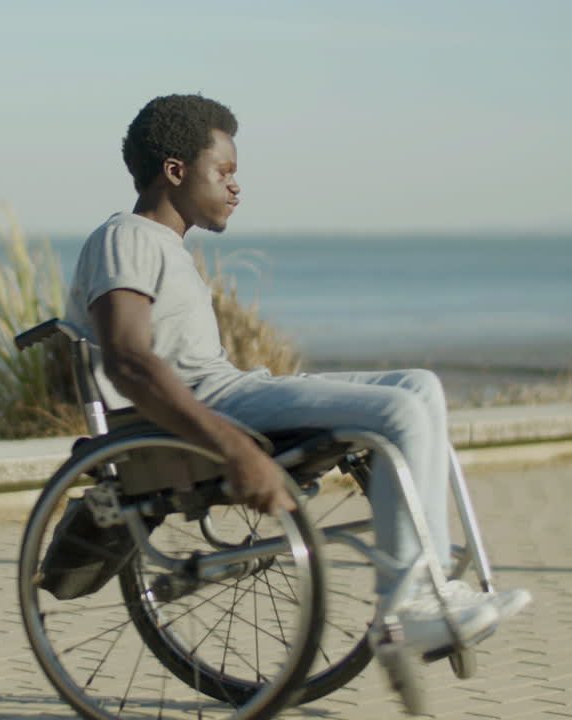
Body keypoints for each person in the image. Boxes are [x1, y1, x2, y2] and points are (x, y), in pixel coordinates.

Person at [65, 93, 529, 658]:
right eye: (225, 172)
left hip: (233, 390)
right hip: (214, 403)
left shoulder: (162, 244)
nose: (237, 187)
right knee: (398, 412)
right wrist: (234, 449)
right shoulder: (127, 238)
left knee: (419, 386)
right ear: (175, 171)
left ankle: (428, 580)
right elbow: (129, 362)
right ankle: (406, 609)